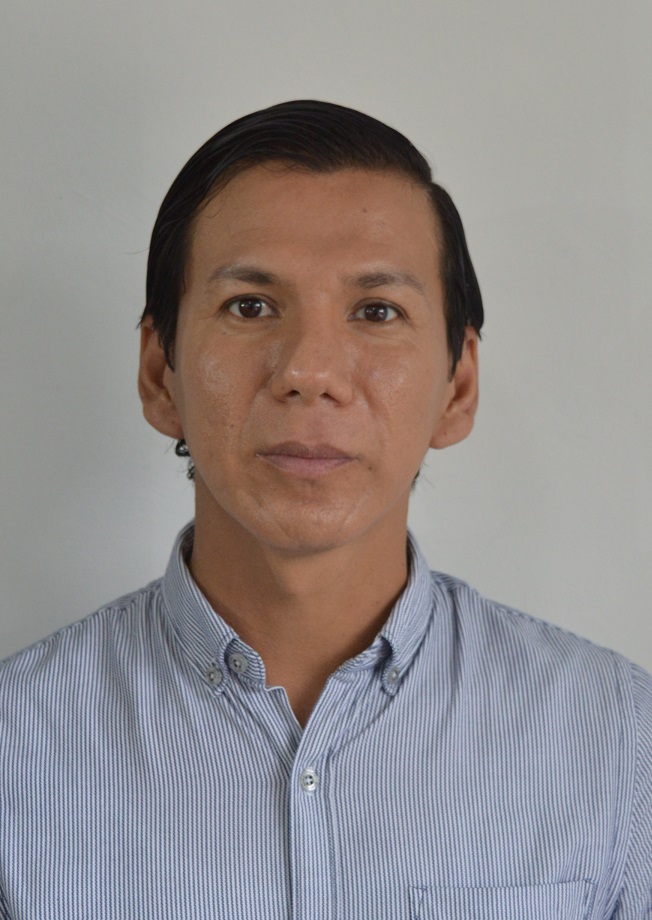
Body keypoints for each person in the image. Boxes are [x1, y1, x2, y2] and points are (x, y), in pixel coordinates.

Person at [0, 101, 650, 919]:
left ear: (458, 385)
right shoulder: (14, 751)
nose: (310, 371)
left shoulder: (620, 743)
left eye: (377, 311)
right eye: (250, 305)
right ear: (160, 373)